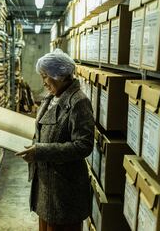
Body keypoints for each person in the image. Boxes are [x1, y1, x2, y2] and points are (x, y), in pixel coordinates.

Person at [16, 49, 94, 231]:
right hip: (47, 188)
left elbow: (84, 145)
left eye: (45, 76)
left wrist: (40, 151)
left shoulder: (78, 102)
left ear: (59, 75)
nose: (43, 82)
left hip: (64, 193)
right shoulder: (51, 97)